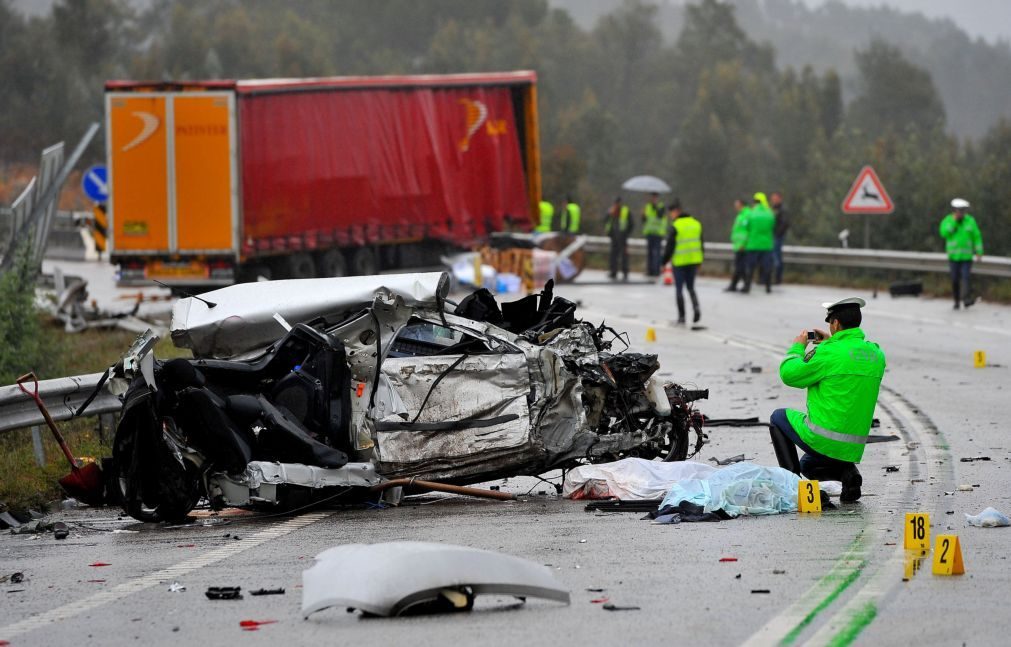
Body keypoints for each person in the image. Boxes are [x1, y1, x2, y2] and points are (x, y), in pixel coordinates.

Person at [768, 297, 885, 503]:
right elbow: (847, 358)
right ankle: (847, 474)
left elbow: (789, 374)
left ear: (836, 324)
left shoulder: (827, 353)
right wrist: (830, 342)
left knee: (778, 417)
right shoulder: (876, 354)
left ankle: (795, 489)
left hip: (823, 438)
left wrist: (797, 347)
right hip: (852, 446)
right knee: (807, 465)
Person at [662, 202, 703, 324]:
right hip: (694, 260)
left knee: (679, 289)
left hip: (680, 262)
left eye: (671, 213)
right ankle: (696, 308)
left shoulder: (676, 226)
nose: (671, 216)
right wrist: (701, 260)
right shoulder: (696, 224)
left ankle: (682, 317)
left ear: (676, 212)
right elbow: (701, 242)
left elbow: (670, 246)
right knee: (691, 287)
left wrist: (663, 262)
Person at [939, 198, 984, 310]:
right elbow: (943, 233)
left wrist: (979, 251)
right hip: (953, 257)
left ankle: (966, 299)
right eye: (959, 210)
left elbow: (977, 236)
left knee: (966, 277)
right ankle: (956, 301)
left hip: (966, 257)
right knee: (955, 279)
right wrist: (954, 222)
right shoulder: (948, 220)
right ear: (954, 210)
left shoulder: (970, 221)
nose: (961, 213)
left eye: (963, 210)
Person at [742, 192, 774, 294]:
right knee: (766, 267)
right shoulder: (770, 213)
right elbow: (773, 226)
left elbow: (746, 226)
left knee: (750, 267)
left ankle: (747, 286)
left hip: (753, 244)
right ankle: (768, 287)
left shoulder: (751, 213)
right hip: (766, 244)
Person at [724, 198, 749, 292]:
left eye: (737, 204)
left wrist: (743, 243)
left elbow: (747, 231)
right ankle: (737, 285)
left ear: (741, 204)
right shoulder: (741, 214)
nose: (735, 206)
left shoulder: (746, 215)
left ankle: (744, 285)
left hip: (743, 246)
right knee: (739, 266)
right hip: (739, 245)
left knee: (740, 266)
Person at [605, 196, 631, 281]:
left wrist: (626, 233)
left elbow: (631, 223)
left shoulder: (625, 211)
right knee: (613, 255)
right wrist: (609, 214)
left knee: (624, 255)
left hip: (622, 236)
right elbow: (605, 221)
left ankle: (625, 272)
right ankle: (613, 272)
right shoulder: (611, 211)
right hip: (614, 236)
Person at [642, 193, 667, 277]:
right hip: (649, 232)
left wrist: (655, 206)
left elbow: (660, 215)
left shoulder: (661, 206)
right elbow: (644, 220)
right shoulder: (647, 207)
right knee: (649, 253)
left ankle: (656, 271)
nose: (653, 199)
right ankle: (650, 271)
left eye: (655, 198)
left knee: (656, 253)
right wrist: (643, 215)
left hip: (658, 233)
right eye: (652, 197)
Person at [770, 191, 789, 284]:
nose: (774, 200)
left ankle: (777, 278)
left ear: (780, 198)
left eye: (775, 198)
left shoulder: (782, 209)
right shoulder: (772, 209)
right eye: (773, 198)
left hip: (777, 236)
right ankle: (772, 277)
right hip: (771, 236)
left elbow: (785, 223)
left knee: (776, 257)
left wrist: (778, 233)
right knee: (773, 257)